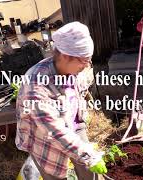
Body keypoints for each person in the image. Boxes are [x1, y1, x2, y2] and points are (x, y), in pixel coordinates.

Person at [15, 21, 107, 180]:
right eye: (83, 60)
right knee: (56, 174)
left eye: (88, 60)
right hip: (45, 140)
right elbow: (54, 130)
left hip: (73, 127)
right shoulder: (36, 84)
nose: (86, 66)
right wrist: (88, 156)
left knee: (90, 174)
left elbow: (78, 91)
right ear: (65, 56)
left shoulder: (72, 70)